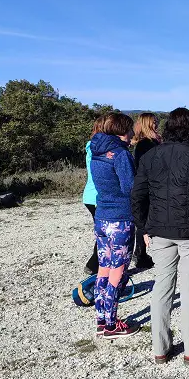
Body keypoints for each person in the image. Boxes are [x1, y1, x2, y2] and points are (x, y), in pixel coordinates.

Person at [131, 108, 189, 365]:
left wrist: (144, 229)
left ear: (168, 127)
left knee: (162, 288)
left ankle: (160, 348)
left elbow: (137, 195)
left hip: (159, 230)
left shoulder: (150, 156)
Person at [90, 113, 139, 339]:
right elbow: (131, 187)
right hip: (121, 218)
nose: (132, 135)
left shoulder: (97, 151)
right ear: (122, 130)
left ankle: (101, 318)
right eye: (130, 130)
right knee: (118, 271)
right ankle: (112, 324)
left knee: (104, 268)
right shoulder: (120, 155)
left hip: (102, 217)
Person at [131, 112, 161, 270]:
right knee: (143, 220)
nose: (156, 124)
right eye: (154, 121)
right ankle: (140, 254)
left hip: (151, 185)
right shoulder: (145, 143)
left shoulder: (152, 141)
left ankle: (141, 252)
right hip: (148, 185)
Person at [82, 115, 105, 276]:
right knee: (104, 233)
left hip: (91, 195)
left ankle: (96, 264)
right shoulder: (97, 148)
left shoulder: (92, 146)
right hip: (97, 196)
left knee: (103, 232)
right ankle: (94, 264)